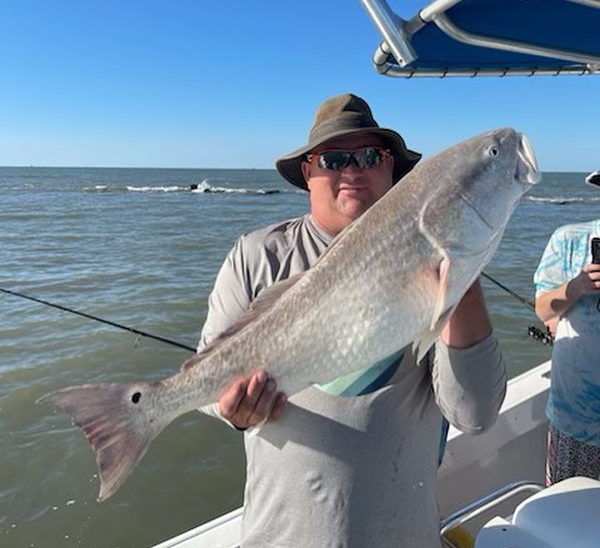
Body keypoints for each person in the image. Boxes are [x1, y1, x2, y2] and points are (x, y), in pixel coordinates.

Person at [198, 93, 507, 548]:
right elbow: (208, 386)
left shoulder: (440, 260)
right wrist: (231, 409)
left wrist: (458, 266)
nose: (352, 169)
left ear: (391, 169)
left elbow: (476, 414)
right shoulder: (255, 257)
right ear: (308, 172)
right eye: (334, 158)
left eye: (370, 156)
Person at [534, 171, 600, 486]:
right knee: (568, 518)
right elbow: (544, 309)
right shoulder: (569, 239)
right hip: (575, 419)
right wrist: (576, 287)